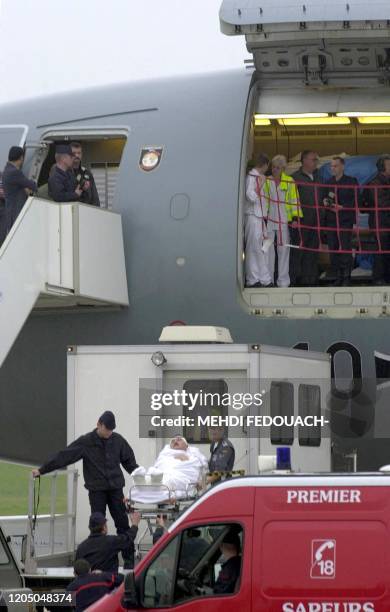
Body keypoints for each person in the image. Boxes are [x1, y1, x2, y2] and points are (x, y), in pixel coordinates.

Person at [32, 410, 138, 569]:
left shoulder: (118, 440)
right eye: (107, 430)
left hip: (116, 489)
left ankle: (129, 562)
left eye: (111, 431)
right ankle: (99, 561)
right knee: (97, 526)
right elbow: (64, 456)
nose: (109, 434)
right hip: (97, 491)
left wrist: (143, 480)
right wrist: (42, 470)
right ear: (99, 424)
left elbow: (131, 464)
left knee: (122, 524)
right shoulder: (86, 442)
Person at [130, 435, 208, 503]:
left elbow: (192, 472)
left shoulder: (193, 456)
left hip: (180, 477)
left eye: (179, 439)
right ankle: (145, 481)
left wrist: (185, 459)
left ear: (186, 445)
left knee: (168, 480)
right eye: (173, 441)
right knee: (156, 475)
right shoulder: (164, 455)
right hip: (164, 474)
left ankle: (150, 483)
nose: (175, 441)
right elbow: (159, 466)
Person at [262, 155, 301, 287]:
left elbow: (294, 201)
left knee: (283, 250)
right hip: (269, 221)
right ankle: (268, 280)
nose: (275, 170)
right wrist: (263, 217)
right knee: (267, 250)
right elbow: (264, 200)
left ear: (283, 168)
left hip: (284, 221)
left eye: (278, 167)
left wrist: (295, 218)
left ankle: (283, 282)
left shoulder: (290, 181)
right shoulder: (267, 181)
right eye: (273, 167)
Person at [323, 157, 358, 286]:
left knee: (345, 248)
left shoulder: (351, 181)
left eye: (335, 166)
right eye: (331, 166)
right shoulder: (328, 182)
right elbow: (325, 198)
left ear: (342, 166)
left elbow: (356, 201)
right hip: (331, 220)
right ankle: (338, 276)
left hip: (345, 220)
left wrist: (343, 208)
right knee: (333, 249)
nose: (333, 168)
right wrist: (325, 202)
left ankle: (346, 277)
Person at [291, 150, 323, 286]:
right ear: (304, 160)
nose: (315, 162)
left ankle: (311, 279)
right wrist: (294, 219)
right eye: (313, 159)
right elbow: (291, 200)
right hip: (301, 221)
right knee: (298, 251)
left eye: (316, 159)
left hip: (317, 221)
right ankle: (297, 279)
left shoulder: (319, 177)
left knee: (313, 251)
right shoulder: (295, 178)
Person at [75, 511, 140, 573]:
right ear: (104, 527)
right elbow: (128, 539)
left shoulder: (81, 548)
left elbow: (77, 570)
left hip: (88, 583)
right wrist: (135, 524)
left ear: (89, 527)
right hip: (108, 582)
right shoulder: (111, 542)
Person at [244, 154, 273, 288]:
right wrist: (260, 185)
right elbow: (251, 197)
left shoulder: (258, 177)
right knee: (253, 248)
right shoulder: (252, 177)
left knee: (263, 248)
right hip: (253, 216)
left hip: (259, 217)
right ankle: (253, 279)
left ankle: (264, 279)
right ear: (265, 165)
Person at [362, 154, 390, 284]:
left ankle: (386, 277)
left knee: (386, 252)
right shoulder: (375, 183)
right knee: (381, 251)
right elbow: (381, 203)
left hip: (385, 222)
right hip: (380, 223)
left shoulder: (385, 181)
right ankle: (379, 278)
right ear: (382, 167)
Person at [2, 146, 37, 233]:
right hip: (16, 212)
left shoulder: (7, 170)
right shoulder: (14, 172)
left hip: (11, 212)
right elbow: (32, 185)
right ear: (21, 157)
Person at [71, 141, 100, 207]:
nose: (77, 155)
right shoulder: (64, 173)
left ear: (82, 154)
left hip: (87, 210)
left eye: (79, 153)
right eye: (74, 153)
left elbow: (95, 196)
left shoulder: (87, 173)